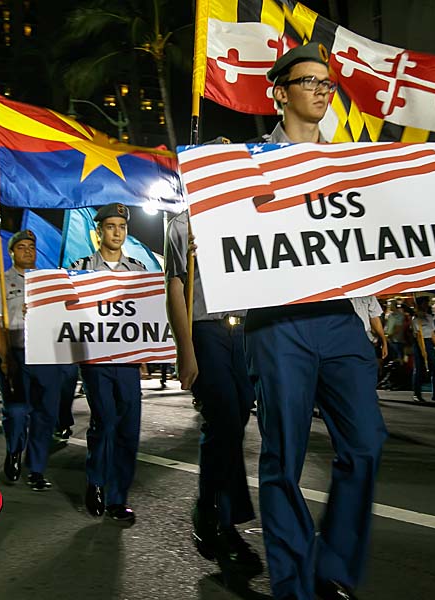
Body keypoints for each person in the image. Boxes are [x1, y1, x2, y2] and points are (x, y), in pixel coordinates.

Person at [242, 43, 387, 600]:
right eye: (310, 81)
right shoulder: (247, 163)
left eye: (328, 83)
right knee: (284, 454)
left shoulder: (350, 162)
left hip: (341, 320)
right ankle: (293, 583)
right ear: (279, 93)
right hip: (279, 323)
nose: (323, 91)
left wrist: (371, 315)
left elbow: (364, 245)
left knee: (367, 442)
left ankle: (334, 567)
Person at [166, 207, 263, 573]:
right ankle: (219, 521)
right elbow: (175, 283)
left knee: (237, 418)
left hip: (246, 329)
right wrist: (185, 348)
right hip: (205, 328)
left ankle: (210, 506)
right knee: (223, 419)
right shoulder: (181, 221)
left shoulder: (250, 211)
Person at [70, 203, 147, 523]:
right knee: (105, 421)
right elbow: (67, 310)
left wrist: (146, 355)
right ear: (99, 231)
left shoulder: (139, 270)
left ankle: (118, 498)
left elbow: (147, 314)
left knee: (129, 427)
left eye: (123, 227)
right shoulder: (81, 267)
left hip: (128, 361)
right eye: (111, 226)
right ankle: (97, 482)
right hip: (95, 358)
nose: (117, 232)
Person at [0, 230, 60, 491]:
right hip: (16, 353)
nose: (27, 251)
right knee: (16, 410)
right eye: (21, 247)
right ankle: (14, 451)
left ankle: (36, 469)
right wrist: (5, 357)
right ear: (12, 252)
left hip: (47, 355)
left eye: (31, 247)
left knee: (44, 414)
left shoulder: (50, 281)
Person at [410, 296, 435, 402]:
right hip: (419, 343)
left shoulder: (429, 317)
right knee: (419, 369)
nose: (427, 305)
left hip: (429, 342)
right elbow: (418, 335)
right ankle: (417, 394)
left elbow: (432, 333)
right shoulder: (415, 318)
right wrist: (423, 351)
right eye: (425, 303)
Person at [350, 295, 389, 368]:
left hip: (365, 339)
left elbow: (374, 317)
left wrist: (384, 341)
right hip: (345, 339)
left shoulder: (367, 292)